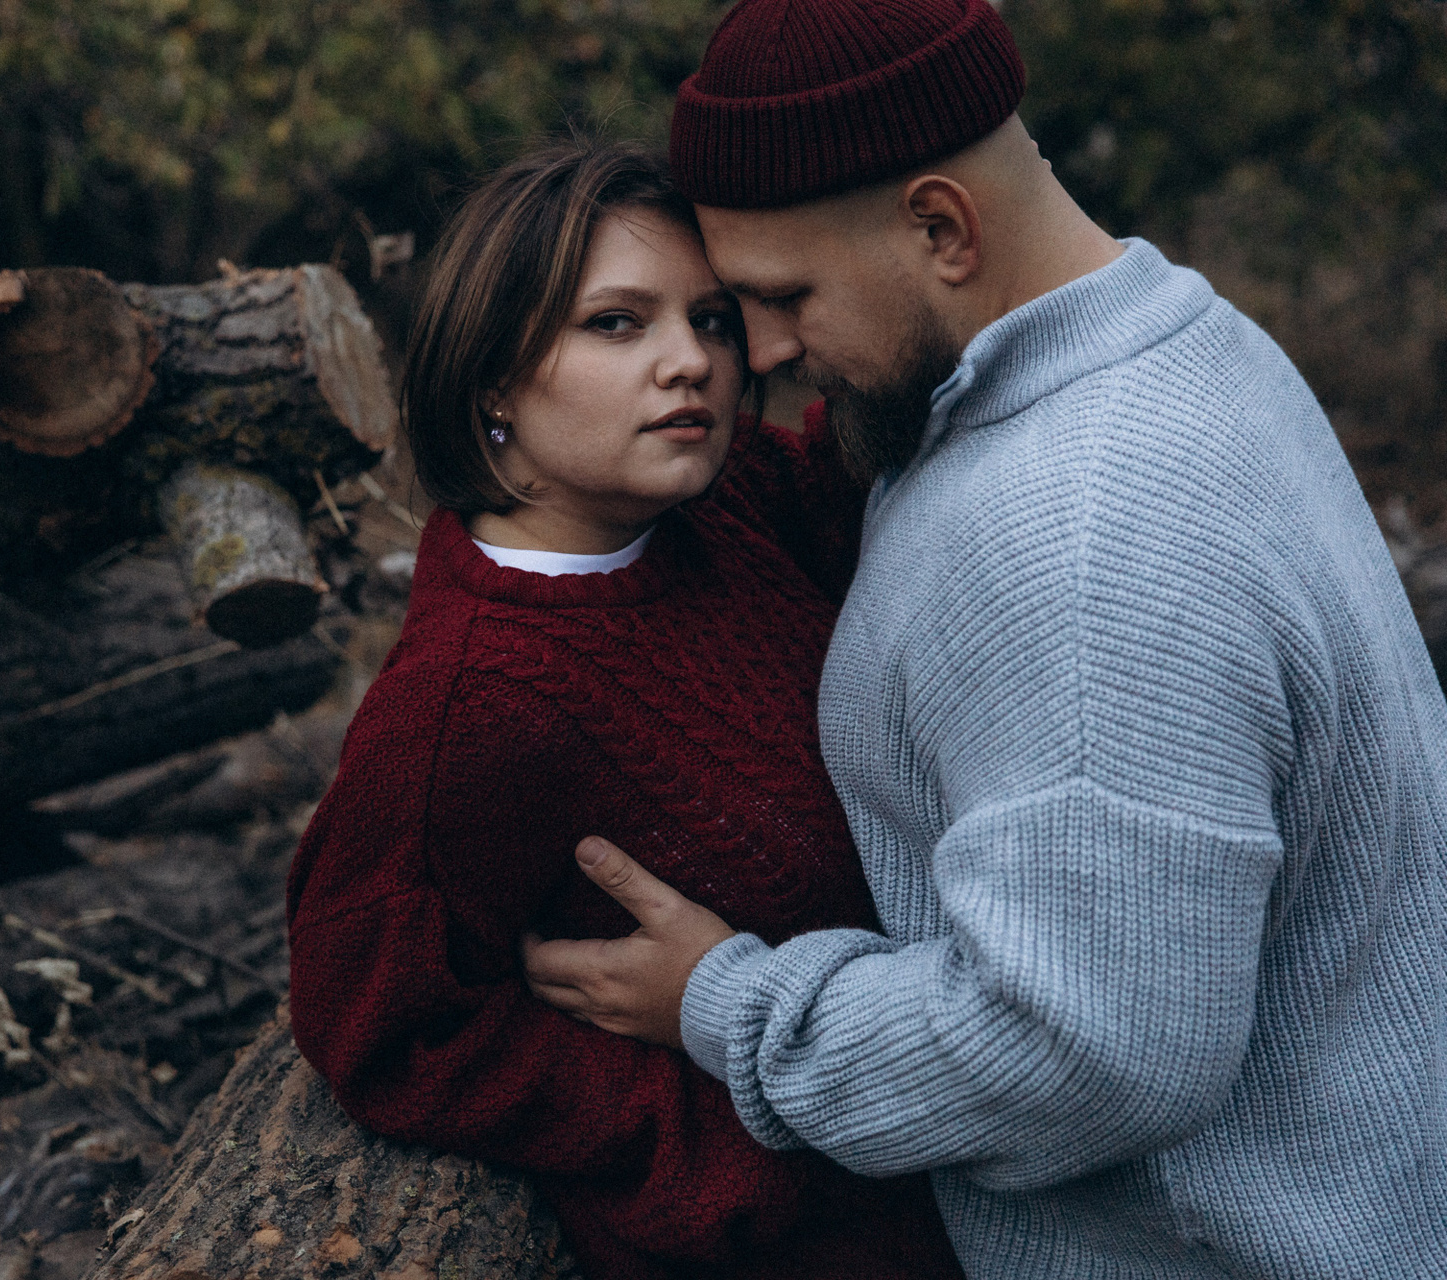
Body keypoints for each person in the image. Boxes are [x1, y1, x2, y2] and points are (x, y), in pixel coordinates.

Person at [521, 0, 1447, 1276]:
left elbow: (1082, 1050)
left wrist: (729, 1003)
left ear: (942, 228)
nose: (765, 353)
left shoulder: (1078, 532)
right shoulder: (1176, 339)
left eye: (784, 296)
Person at [285, 144, 964, 1278]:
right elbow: (380, 1023)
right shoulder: (472, 707)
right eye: (616, 323)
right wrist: (711, 1154)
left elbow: (867, 472)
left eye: (711, 320)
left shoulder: (721, 502)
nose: (690, 361)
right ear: (492, 379)